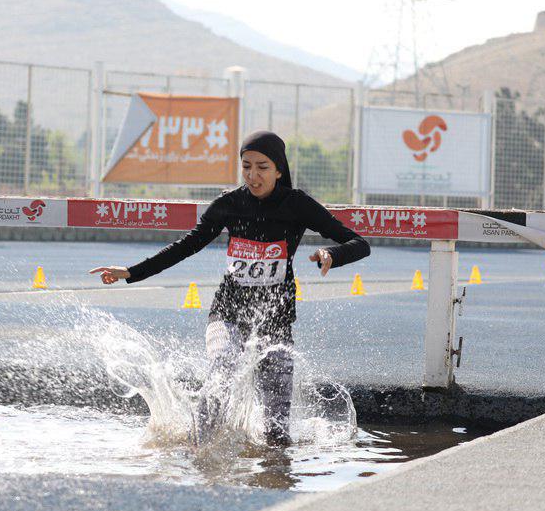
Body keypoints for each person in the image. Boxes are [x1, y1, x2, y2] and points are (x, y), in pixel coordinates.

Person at [90, 130, 370, 446]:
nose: (253, 175)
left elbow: (359, 243)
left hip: (275, 321)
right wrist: (130, 272)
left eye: (262, 167)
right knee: (224, 365)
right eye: (246, 166)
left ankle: (275, 475)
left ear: (279, 169)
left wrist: (331, 253)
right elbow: (187, 245)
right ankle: (200, 455)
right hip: (228, 312)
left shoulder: (296, 204)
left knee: (277, 431)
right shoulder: (229, 203)